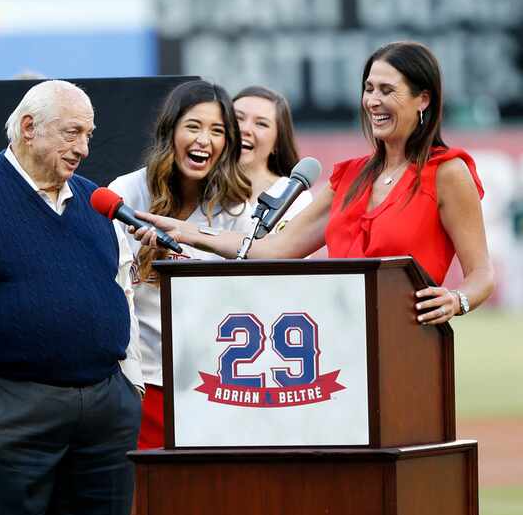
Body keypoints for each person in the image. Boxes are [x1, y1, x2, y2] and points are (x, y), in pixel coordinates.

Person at [0, 79, 144, 515]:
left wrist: (130, 385)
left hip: (104, 412)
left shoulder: (95, 201)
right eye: (72, 132)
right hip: (14, 412)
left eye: (89, 135)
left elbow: (122, 292)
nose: (83, 147)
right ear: (28, 128)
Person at [132, 41, 494, 322]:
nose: (373, 101)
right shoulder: (349, 177)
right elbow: (275, 249)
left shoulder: (447, 172)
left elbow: (481, 273)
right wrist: (187, 232)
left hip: (407, 343)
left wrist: (456, 300)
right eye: (369, 88)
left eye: (387, 90)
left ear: (423, 99)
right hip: (340, 340)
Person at [108, 80, 254, 451]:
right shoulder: (127, 193)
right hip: (140, 381)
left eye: (217, 131)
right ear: (170, 131)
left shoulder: (238, 209)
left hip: (213, 385)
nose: (204, 139)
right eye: (193, 126)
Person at [233, 85, 312, 230]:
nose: (245, 129)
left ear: (277, 142)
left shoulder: (293, 197)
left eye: (261, 123)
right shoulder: (198, 188)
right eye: (238, 118)